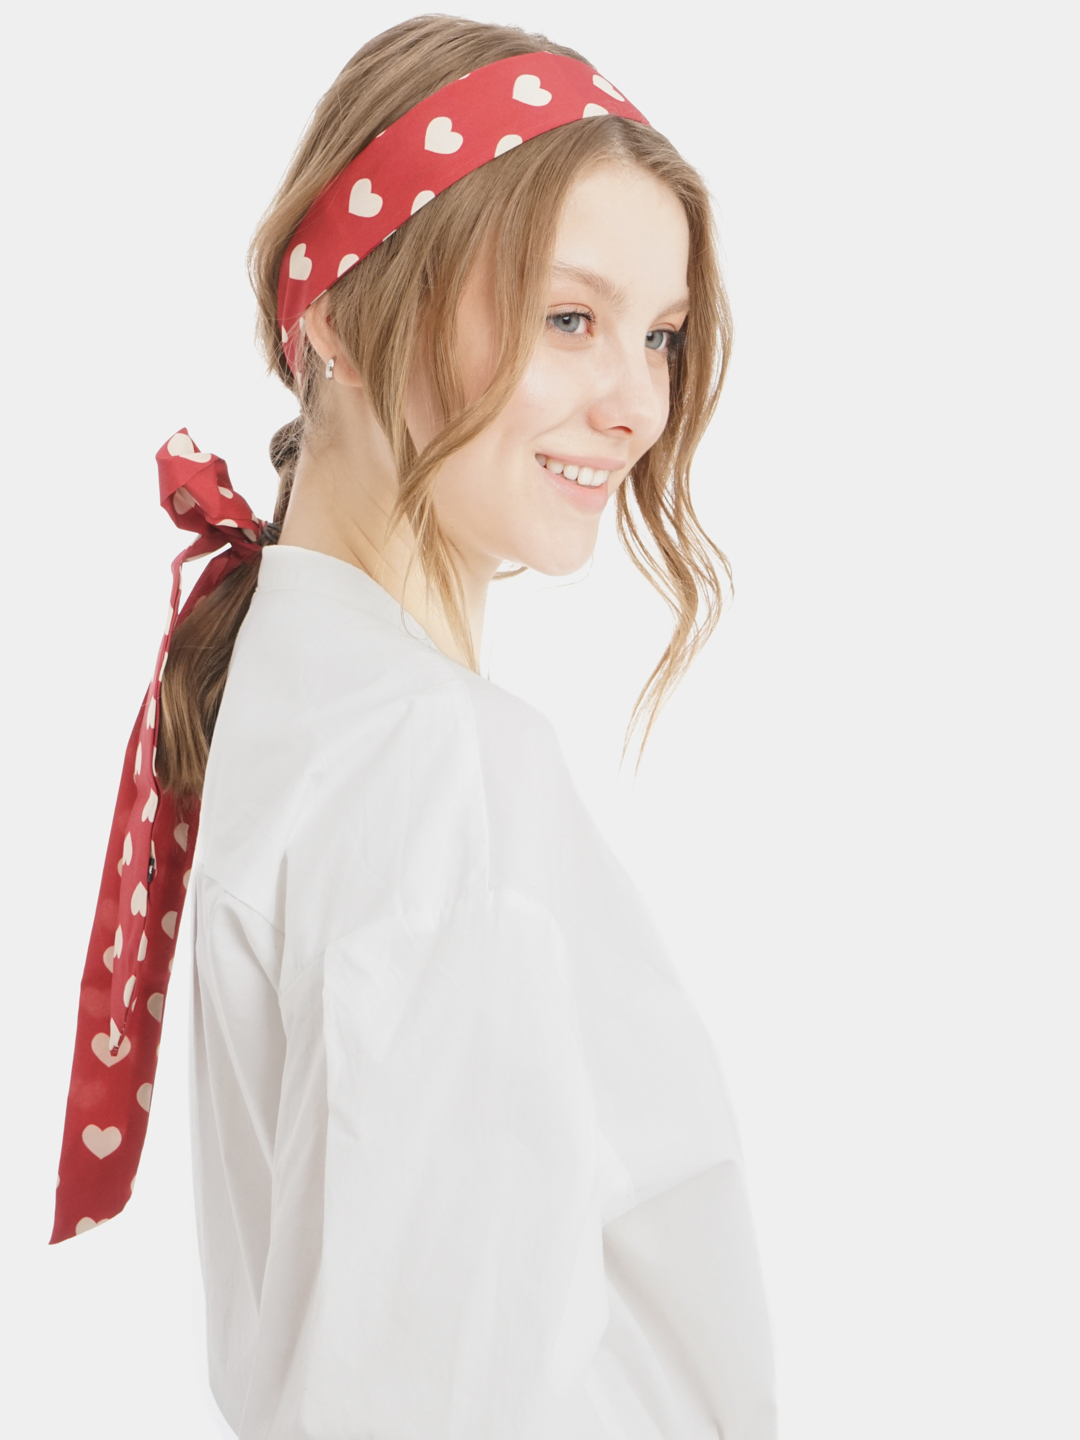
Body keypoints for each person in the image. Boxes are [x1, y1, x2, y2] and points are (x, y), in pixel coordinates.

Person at [52, 16, 777, 1438]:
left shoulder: (298, 692)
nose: (638, 403)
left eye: (660, 335)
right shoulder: (429, 759)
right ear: (339, 314)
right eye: (568, 318)